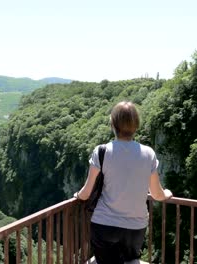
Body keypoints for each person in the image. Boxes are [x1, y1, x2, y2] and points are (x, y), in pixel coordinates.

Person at [74, 101, 173, 264]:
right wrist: (167, 193)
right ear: (136, 125)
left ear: (113, 124)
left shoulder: (102, 151)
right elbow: (156, 194)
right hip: (135, 227)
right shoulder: (148, 154)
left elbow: (86, 193)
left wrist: (78, 195)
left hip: (104, 225)